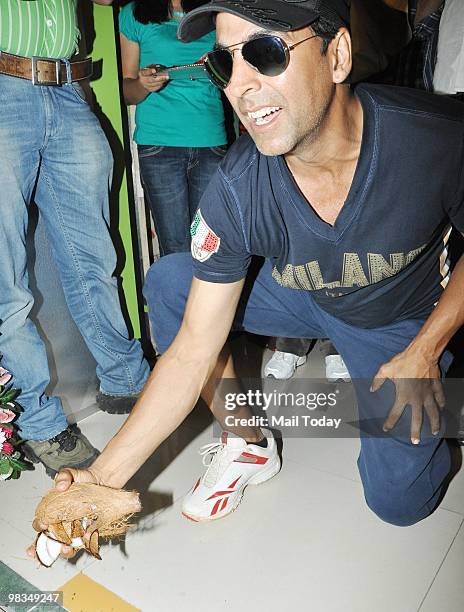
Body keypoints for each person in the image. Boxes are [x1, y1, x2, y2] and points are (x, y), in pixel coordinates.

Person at [31, 0, 464, 546]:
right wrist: (102, 479)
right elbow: (191, 350)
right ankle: (248, 443)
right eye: (224, 63)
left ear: (338, 55)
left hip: (394, 319)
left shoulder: (434, 137)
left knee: (400, 506)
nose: (239, 84)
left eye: (265, 53)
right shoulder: (238, 188)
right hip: (304, 293)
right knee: (170, 284)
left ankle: (423, 393)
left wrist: (427, 348)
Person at [0, 0, 150, 477]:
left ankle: (126, 380)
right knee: (7, 282)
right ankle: (38, 423)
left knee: (96, 260)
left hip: (68, 87)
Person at [119, 0, 228, 257]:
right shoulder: (135, 13)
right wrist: (144, 84)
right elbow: (126, 92)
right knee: (176, 249)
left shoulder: (217, 13)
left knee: (212, 248)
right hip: (159, 145)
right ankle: (179, 298)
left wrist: (220, 67)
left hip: (210, 139)